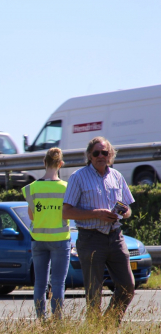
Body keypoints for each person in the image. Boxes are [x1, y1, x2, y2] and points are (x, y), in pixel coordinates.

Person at [62, 136, 135, 321]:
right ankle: (95, 333)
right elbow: (66, 212)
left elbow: (128, 209)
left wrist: (124, 211)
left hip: (116, 236)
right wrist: (97, 213)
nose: (101, 156)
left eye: (105, 152)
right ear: (89, 155)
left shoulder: (117, 176)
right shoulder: (78, 177)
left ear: (110, 155)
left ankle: (108, 326)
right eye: (96, 153)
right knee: (94, 293)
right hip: (91, 238)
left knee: (128, 287)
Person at [22, 147, 71, 320]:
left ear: (44, 163)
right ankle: (56, 319)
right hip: (60, 240)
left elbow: (30, 215)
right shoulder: (66, 187)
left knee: (40, 284)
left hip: (38, 239)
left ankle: (40, 320)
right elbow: (68, 213)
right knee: (58, 283)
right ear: (60, 164)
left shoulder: (31, 188)